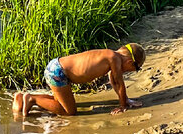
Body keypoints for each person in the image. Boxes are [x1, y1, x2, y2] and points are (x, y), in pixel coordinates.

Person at [13, 44, 145, 118]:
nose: (132, 71)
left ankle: (21, 98)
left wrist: (125, 99)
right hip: (59, 72)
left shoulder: (110, 55)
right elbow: (118, 82)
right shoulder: (114, 58)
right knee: (69, 111)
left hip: (56, 66)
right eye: (136, 68)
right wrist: (124, 105)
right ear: (130, 62)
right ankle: (31, 99)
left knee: (58, 101)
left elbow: (113, 80)